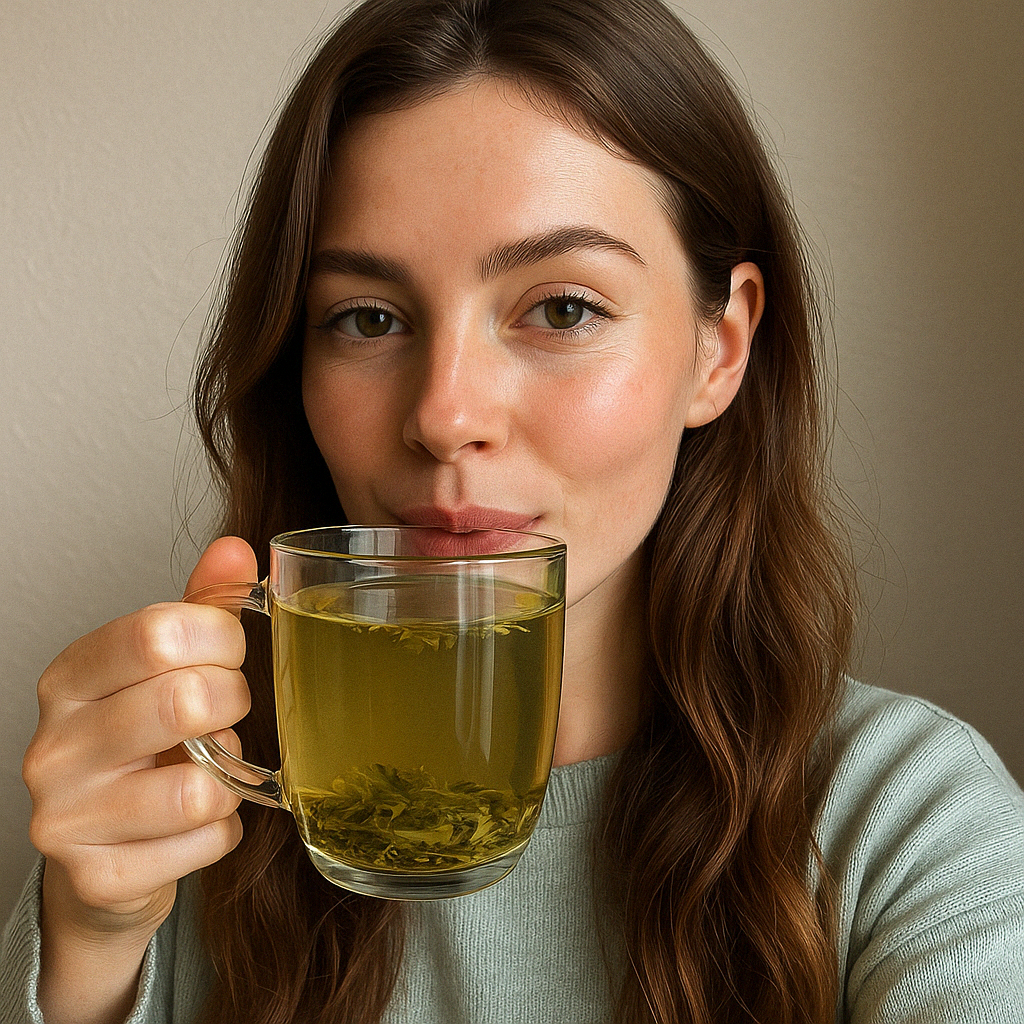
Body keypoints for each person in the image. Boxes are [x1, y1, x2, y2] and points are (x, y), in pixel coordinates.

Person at [3, 0, 1023, 1021]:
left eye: (562, 308)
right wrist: (89, 946)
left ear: (721, 347)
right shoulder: (174, 824)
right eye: (368, 318)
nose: (445, 416)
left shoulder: (911, 829)